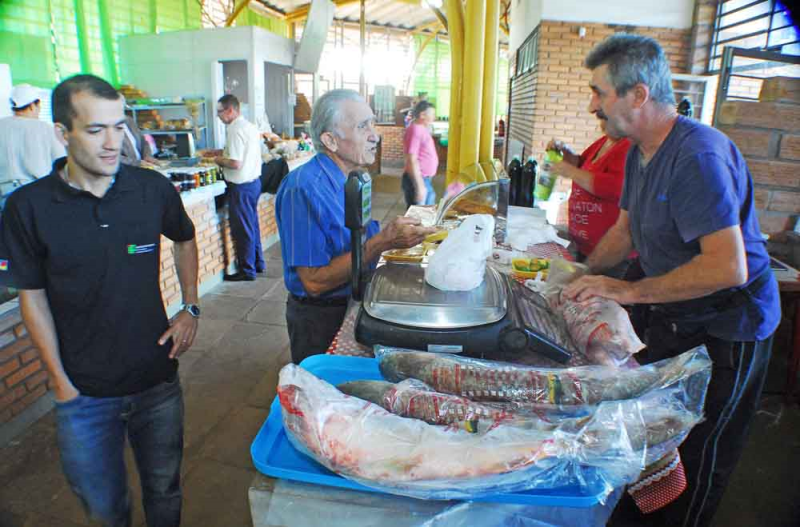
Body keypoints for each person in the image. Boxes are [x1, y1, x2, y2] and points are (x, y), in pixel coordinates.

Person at [563, 34, 781, 527]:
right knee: (656, 433)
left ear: (638, 95)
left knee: (700, 450)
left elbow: (727, 267)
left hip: (728, 325)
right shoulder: (642, 150)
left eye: (600, 92)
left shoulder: (696, 157)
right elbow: (623, 232)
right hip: (676, 314)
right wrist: (581, 275)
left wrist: (630, 290)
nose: (592, 105)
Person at [1, 74, 200, 527]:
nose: (113, 143)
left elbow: (185, 239)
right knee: (107, 511)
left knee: (165, 494)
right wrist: (61, 385)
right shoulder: (28, 209)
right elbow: (32, 298)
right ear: (61, 133)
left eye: (118, 126)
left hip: (157, 382)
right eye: (95, 130)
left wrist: (191, 307)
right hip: (84, 395)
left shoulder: (150, 190)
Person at [276, 89, 436, 365]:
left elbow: (356, 240)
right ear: (330, 140)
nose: (375, 135)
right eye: (363, 127)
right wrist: (383, 241)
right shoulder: (303, 188)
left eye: (372, 124)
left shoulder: (354, 179)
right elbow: (313, 281)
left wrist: (394, 237)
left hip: (352, 298)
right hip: (320, 316)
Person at [545, 119, 633, 277]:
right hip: (584, 246)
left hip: (609, 255)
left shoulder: (629, 146)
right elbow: (581, 164)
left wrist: (570, 171)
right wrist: (566, 153)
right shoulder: (604, 142)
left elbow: (616, 188)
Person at [215, 94, 266, 281]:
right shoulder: (249, 126)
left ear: (230, 110)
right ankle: (258, 263)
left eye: (220, 112)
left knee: (243, 229)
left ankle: (246, 270)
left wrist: (217, 159)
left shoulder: (234, 130)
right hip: (253, 183)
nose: (218, 116)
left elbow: (235, 163)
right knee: (252, 225)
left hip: (241, 187)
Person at [0, 84, 66, 207]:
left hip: (4, 199)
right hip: (38, 195)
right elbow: (62, 163)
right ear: (33, 105)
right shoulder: (45, 129)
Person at [402, 100, 439, 207]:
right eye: (432, 114)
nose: (434, 117)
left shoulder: (421, 128)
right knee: (419, 217)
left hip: (424, 179)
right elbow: (411, 159)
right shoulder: (415, 130)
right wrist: (419, 186)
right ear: (422, 115)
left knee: (425, 213)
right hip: (418, 179)